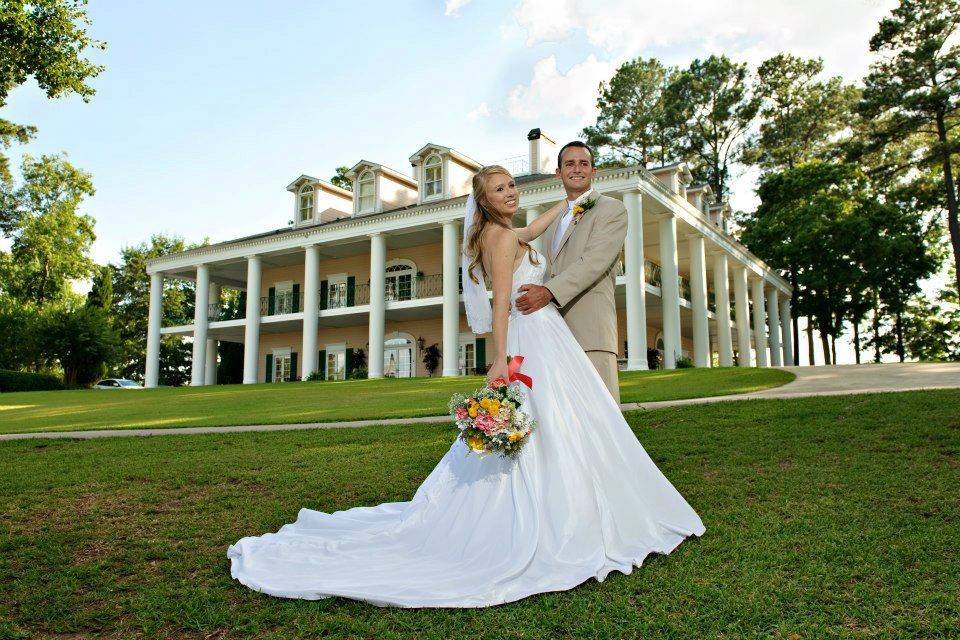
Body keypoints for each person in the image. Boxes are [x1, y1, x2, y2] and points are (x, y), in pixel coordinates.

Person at [227, 163, 705, 608]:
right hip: (528, 335)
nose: (510, 192)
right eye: (499, 189)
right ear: (484, 201)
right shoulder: (497, 240)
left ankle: (581, 499)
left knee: (564, 418)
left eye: (512, 185)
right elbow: (500, 303)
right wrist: (500, 357)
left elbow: (533, 231)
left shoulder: (507, 231)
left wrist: (570, 203)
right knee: (543, 422)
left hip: (546, 333)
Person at [514, 141, 626, 403]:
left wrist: (548, 292)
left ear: (593, 171)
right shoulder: (554, 220)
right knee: (570, 423)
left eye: (583, 163)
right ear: (559, 172)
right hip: (554, 333)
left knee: (602, 415)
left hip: (591, 332)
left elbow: (594, 262)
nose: (577, 169)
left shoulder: (612, 209)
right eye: (570, 164)